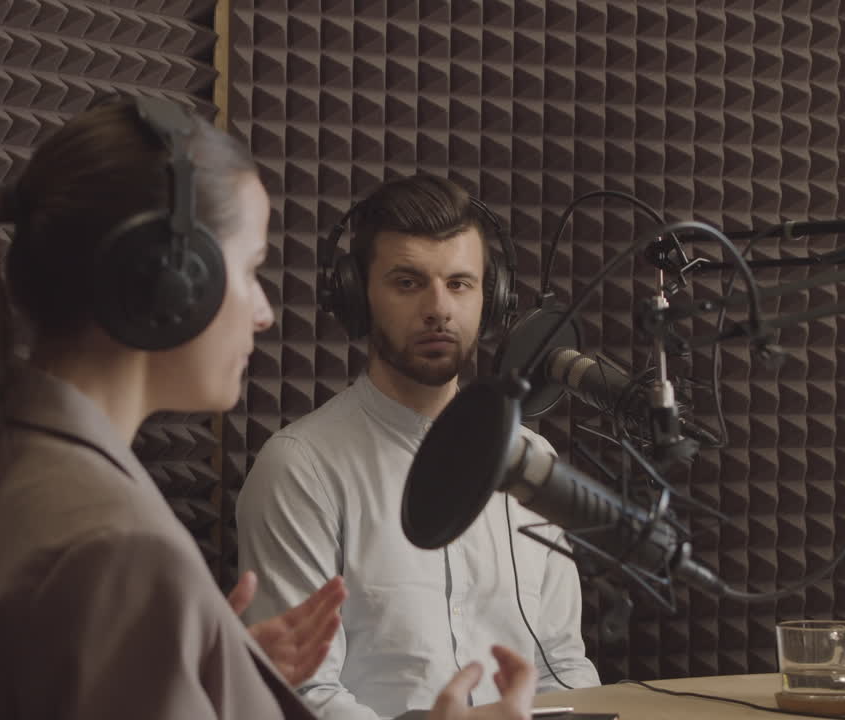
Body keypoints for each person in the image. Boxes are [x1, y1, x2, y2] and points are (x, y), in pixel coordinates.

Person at [0, 98, 537, 720]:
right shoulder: (118, 548)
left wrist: (220, 688)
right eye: (250, 270)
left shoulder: (0, 458)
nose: (266, 312)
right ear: (170, 283)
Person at [237, 175, 602, 720]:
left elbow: (564, 669)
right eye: (408, 283)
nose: (439, 308)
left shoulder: (530, 461)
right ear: (358, 297)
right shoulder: (300, 468)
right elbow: (302, 695)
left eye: (460, 284)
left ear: (493, 297)